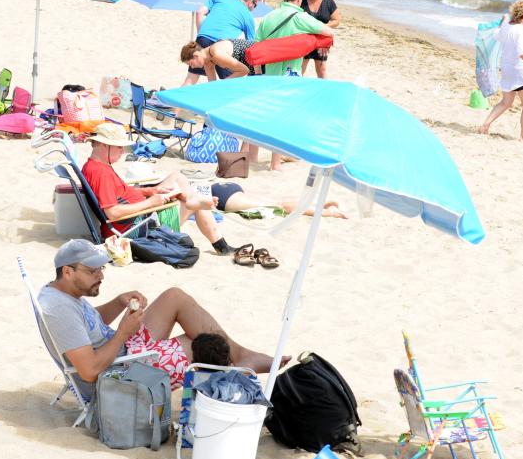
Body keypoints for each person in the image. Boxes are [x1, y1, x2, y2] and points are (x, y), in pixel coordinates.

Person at [38, 239, 283, 392]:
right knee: (201, 345)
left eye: (101, 269)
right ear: (68, 272)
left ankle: (241, 357)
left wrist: (119, 301)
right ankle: (234, 372)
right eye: (92, 271)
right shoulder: (59, 309)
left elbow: (89, 324)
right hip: (117, 373)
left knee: (174, 296)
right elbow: (90, 372)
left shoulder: (63, 294)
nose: (101, 276)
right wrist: (123, 332)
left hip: (122, 350)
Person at [82, 123, 236, 255]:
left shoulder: (95, 166)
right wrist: (151, 203)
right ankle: (220, 244)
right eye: (118, 147)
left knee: (177, 177)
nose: (122, 151)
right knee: (196, 205)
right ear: (103, 144)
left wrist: (150, 191)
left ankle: (192, 201)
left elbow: (119, 192)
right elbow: (112, 212)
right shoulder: (101, 174)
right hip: (137, 226)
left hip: (137, 215)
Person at [254, 0, 335, 170]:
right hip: (291, 74)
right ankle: (275, 163)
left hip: (268, 74)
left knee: (264, 115)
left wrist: (258, 74)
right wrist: (310, 40)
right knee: (283, 117)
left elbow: (256, 47)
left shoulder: (269, 17)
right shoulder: (300, 17)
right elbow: (328, 31)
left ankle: (252, 157)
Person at [480, 0, 523, 141]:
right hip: (521, 72)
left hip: (506, 70)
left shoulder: (507, 27)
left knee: (505, 102)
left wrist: (503, 21)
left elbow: (497, 35)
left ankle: (485, 124)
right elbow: (522, 53)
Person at [183, 0, 260, 86]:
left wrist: (200, 34)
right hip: (222, 46)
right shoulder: (248, 16)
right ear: (250, 2)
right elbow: (251, 45)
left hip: (203, 38)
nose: (254, 9)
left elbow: (199, 12)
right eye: (255, 6)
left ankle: (171, 101)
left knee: (191, 79)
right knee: (231, 82)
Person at [209, 181, 347, 219]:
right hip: (225, 187)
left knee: (280, 206)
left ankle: (330, 212)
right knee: (278, 201)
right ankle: (321, 205)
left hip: (225, 198)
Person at [299, 0, 341, 79]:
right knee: (300, 69)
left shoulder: (329, 2)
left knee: (321, 70)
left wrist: (321, 27)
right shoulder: (301, 0)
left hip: (321, 41)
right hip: (304, 40)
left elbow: (336, 21)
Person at [180, 39, 254, 80]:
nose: (192, 67)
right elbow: (212, 86)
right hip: (252, 65)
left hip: (260, 59)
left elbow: (244, 70)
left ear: (196, 55)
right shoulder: (208, 62)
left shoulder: (216, 53)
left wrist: (223, 83)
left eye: (191, 64)